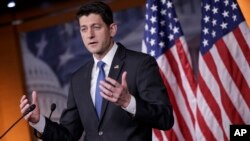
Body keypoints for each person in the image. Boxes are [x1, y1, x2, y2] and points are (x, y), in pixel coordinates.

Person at [19, 1, 174, 141]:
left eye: (96, 27)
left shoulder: (140, 64)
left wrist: (129, 102)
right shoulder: (78, 78)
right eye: (84, 29)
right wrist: (39, 122)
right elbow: (68, 135)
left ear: (112, 29)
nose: (90, 35)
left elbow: (165, 118)